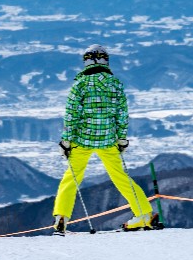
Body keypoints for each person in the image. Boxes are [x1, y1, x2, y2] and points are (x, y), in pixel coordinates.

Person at [51, 44, 157, 233]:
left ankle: (61, 217)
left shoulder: (80, 84)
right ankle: (144, 214)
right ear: (105, 61)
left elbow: (71, 115)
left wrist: (66, 140)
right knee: (120, 177)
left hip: (81, 139)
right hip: (108, 140)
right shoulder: (115, 84)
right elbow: (122, 114)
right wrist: (122, 138)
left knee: (72, 177)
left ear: (86, 62)